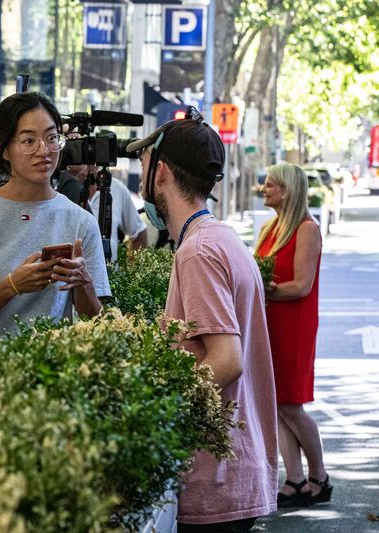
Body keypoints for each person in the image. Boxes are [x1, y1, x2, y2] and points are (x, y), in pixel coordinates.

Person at [127, 110, 278, 532]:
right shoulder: (220, 238)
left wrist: (150, 410)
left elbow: (227, 360)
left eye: (143, 164)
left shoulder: (198, 251)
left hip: (214, 481)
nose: (140, 173)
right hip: (230, 477)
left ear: (162, 175)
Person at [0, 92, 110, 342]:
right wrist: (12, 285)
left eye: (52, 138)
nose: (44, 151)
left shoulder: (81, 221)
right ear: (4, 148)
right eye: (28, 141)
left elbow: (97, 327)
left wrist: (84, 284)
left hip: (49, 375)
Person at [255, 163, 330, 507]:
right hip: (270, 322)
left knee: (292, 405)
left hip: (293, 326)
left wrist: (265, 290)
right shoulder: (271, 227)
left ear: (286, 190)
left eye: (270, 184)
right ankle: (295, 479)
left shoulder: (306, 230)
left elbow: (301, 286)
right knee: (277, 405)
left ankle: (320, 477)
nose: (264, 188)